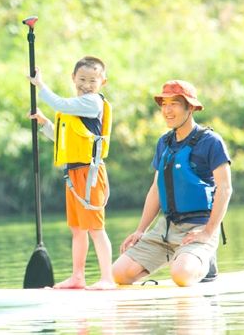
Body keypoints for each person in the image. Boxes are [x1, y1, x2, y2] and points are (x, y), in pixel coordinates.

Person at [113, 80, 232, 287]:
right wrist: (141, 230)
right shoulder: (164, 143)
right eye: (164, 104)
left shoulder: (211, 141)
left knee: (181, 276)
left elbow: (225, 188)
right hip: (166, 228)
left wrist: (208, 232)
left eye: (174, 103)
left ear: (191, 107)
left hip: (199, 225)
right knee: (119, 274)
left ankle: (204, 261)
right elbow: (155, 189)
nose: (167, 110)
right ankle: (181, 257)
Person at [28, 56, 116, 290]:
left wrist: (40, 86)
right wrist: (45, 123)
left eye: (92, 80)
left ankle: (107, 278)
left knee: (96, 229)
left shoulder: (92, 103)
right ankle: (78, 277)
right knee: (77, 229)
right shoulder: (78, 107)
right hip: (74, 174)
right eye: (82, 79)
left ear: (102, 82)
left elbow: (60, 104)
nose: (86, 85)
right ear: (73, 78)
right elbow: (63, 138)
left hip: (91, 173)